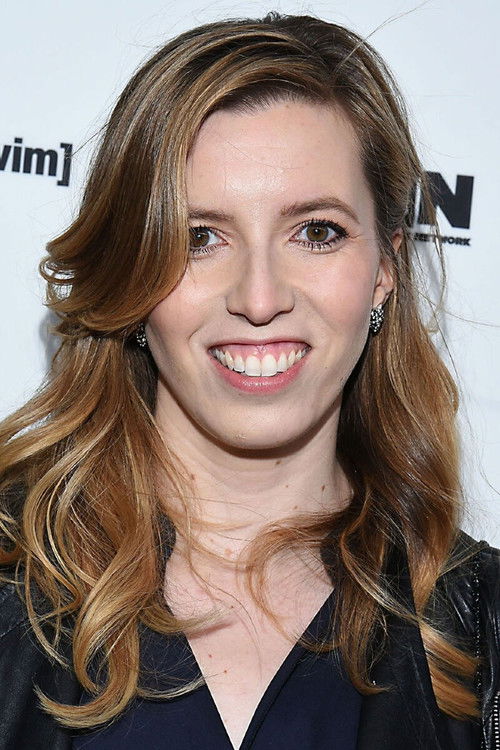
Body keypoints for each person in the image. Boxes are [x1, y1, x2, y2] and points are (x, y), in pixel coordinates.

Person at [0, 11, 498, 750]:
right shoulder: (12, 579)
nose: (260, 298)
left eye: (317, 232)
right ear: (131, 274)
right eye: (200, 238)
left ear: (385, 270)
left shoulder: (481, 622)